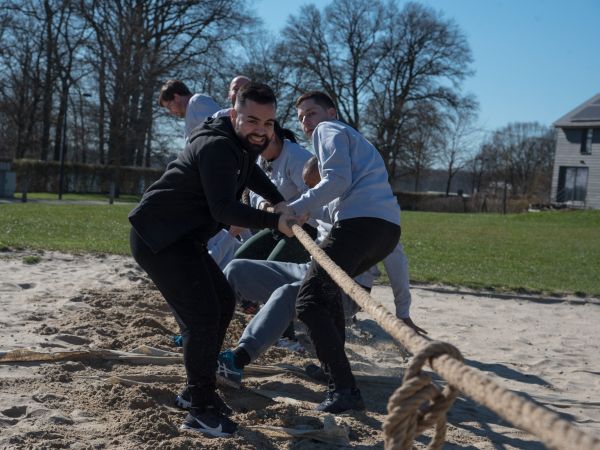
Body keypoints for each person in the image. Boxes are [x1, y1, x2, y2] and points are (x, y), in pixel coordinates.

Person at [129, 82, 302, 437]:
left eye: (268, 124)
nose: (261, 130)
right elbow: (222, 208)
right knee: (202, 317)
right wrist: (274, 221)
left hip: (184, 237)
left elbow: (249, 172)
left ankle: (196, 390)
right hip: (158, 238)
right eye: (252, 120)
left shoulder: (240, 144)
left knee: (223, 301)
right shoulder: (217, 146)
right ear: (235, 113)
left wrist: (276, 199)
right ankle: (200, 410)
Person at [217, 157, 425, 388]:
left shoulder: (363, 210)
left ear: (332, 179)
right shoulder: (322, 200)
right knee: (237, 269)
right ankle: (201, 337)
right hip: (308, 270)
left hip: (345, 288)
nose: (311, 191)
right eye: (308, 187)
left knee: (289, 295)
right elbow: (302, 211)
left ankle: (237, 360)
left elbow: (396, 259)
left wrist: (403, 312)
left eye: (315, 185)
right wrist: (278, 210)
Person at [281, 91, 402, 413]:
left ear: (330, 112)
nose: (306, 123)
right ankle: (334, 372)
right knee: (327, 297)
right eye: (301, 118)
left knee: (308, 303)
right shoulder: (356, 142)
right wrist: (305, 211)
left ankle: (345, 389)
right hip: (385, 231)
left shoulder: (330, 129)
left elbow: (336, 180)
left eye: (311, 113)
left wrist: (293, 207)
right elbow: (340, 187)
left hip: (360, 226)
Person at [234, 121, 318, 263]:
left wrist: (288, 209)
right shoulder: (260, 157)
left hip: (305, 228)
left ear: (271, 137)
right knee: (240, 260)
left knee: (271, 267)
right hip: (278, 224)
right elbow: (255, 191)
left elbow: (315, 196)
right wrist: (264, 206)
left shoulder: (296, 156)